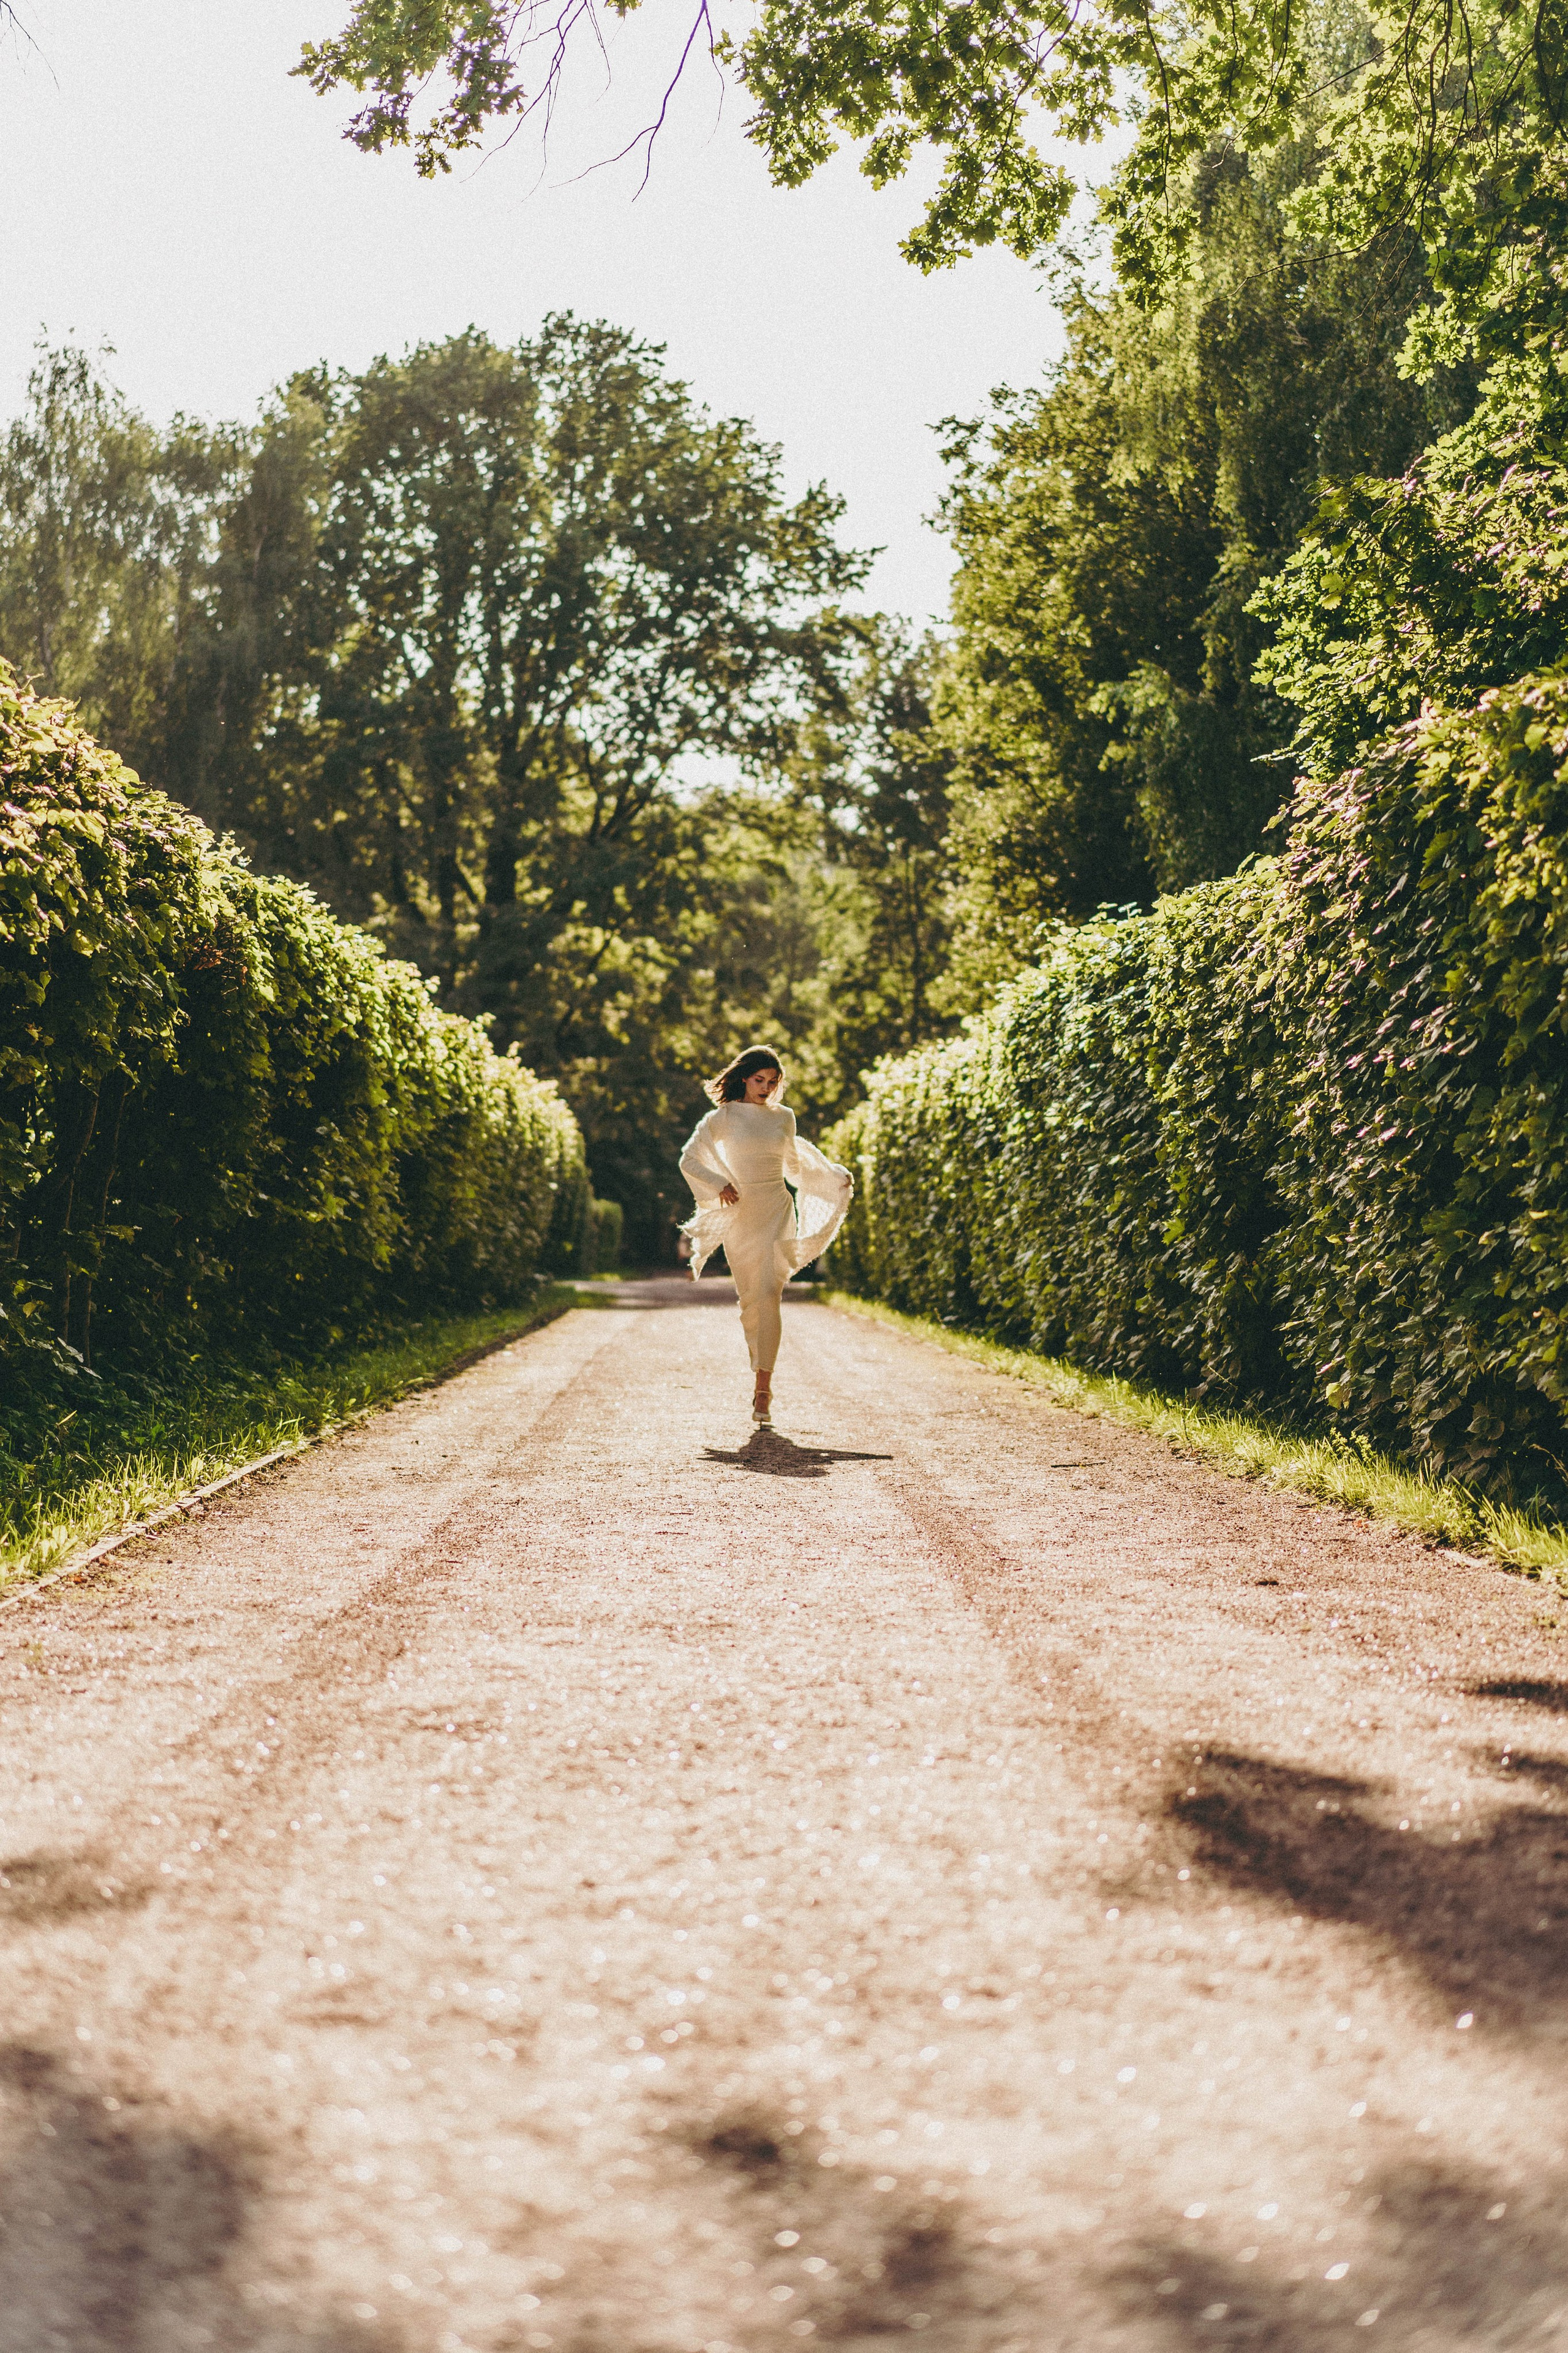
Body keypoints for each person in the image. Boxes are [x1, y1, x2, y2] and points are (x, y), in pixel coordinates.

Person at [678, 1045, 853, 1424]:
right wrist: (719, 1183)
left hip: (777, 1208)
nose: (766, 1088)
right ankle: (758, 1368)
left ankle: (763, 1388)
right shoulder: (722, 1117)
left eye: (773, 1082)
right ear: (744, 1078)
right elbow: (689, 1160)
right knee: (750, 1299)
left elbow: (795, 1169)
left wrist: (833, 1177)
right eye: (760, 1080)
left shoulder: (784, 1118)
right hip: (742, 1215)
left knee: (769, 1292)